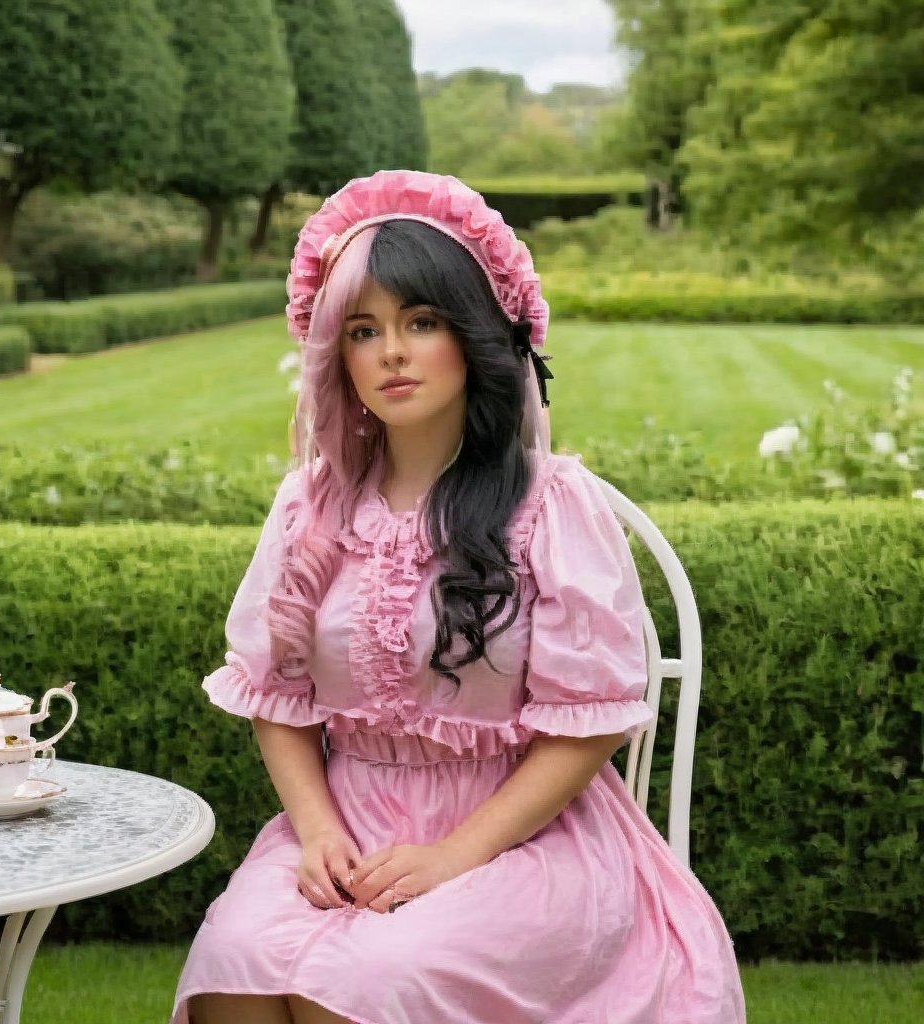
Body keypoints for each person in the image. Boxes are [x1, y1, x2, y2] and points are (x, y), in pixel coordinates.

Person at [172, 170, 745, 1024]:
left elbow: (587, 724)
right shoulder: (311, 509)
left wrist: (452, 856)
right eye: (364, 330)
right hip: (346, 815)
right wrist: (318, 829)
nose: (392, 352)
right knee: (235, 961)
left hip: (524, 834)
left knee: (372, 978)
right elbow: (277, 692)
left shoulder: (549, 507)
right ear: (340, 354)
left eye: (421, 322)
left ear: (473, 337)